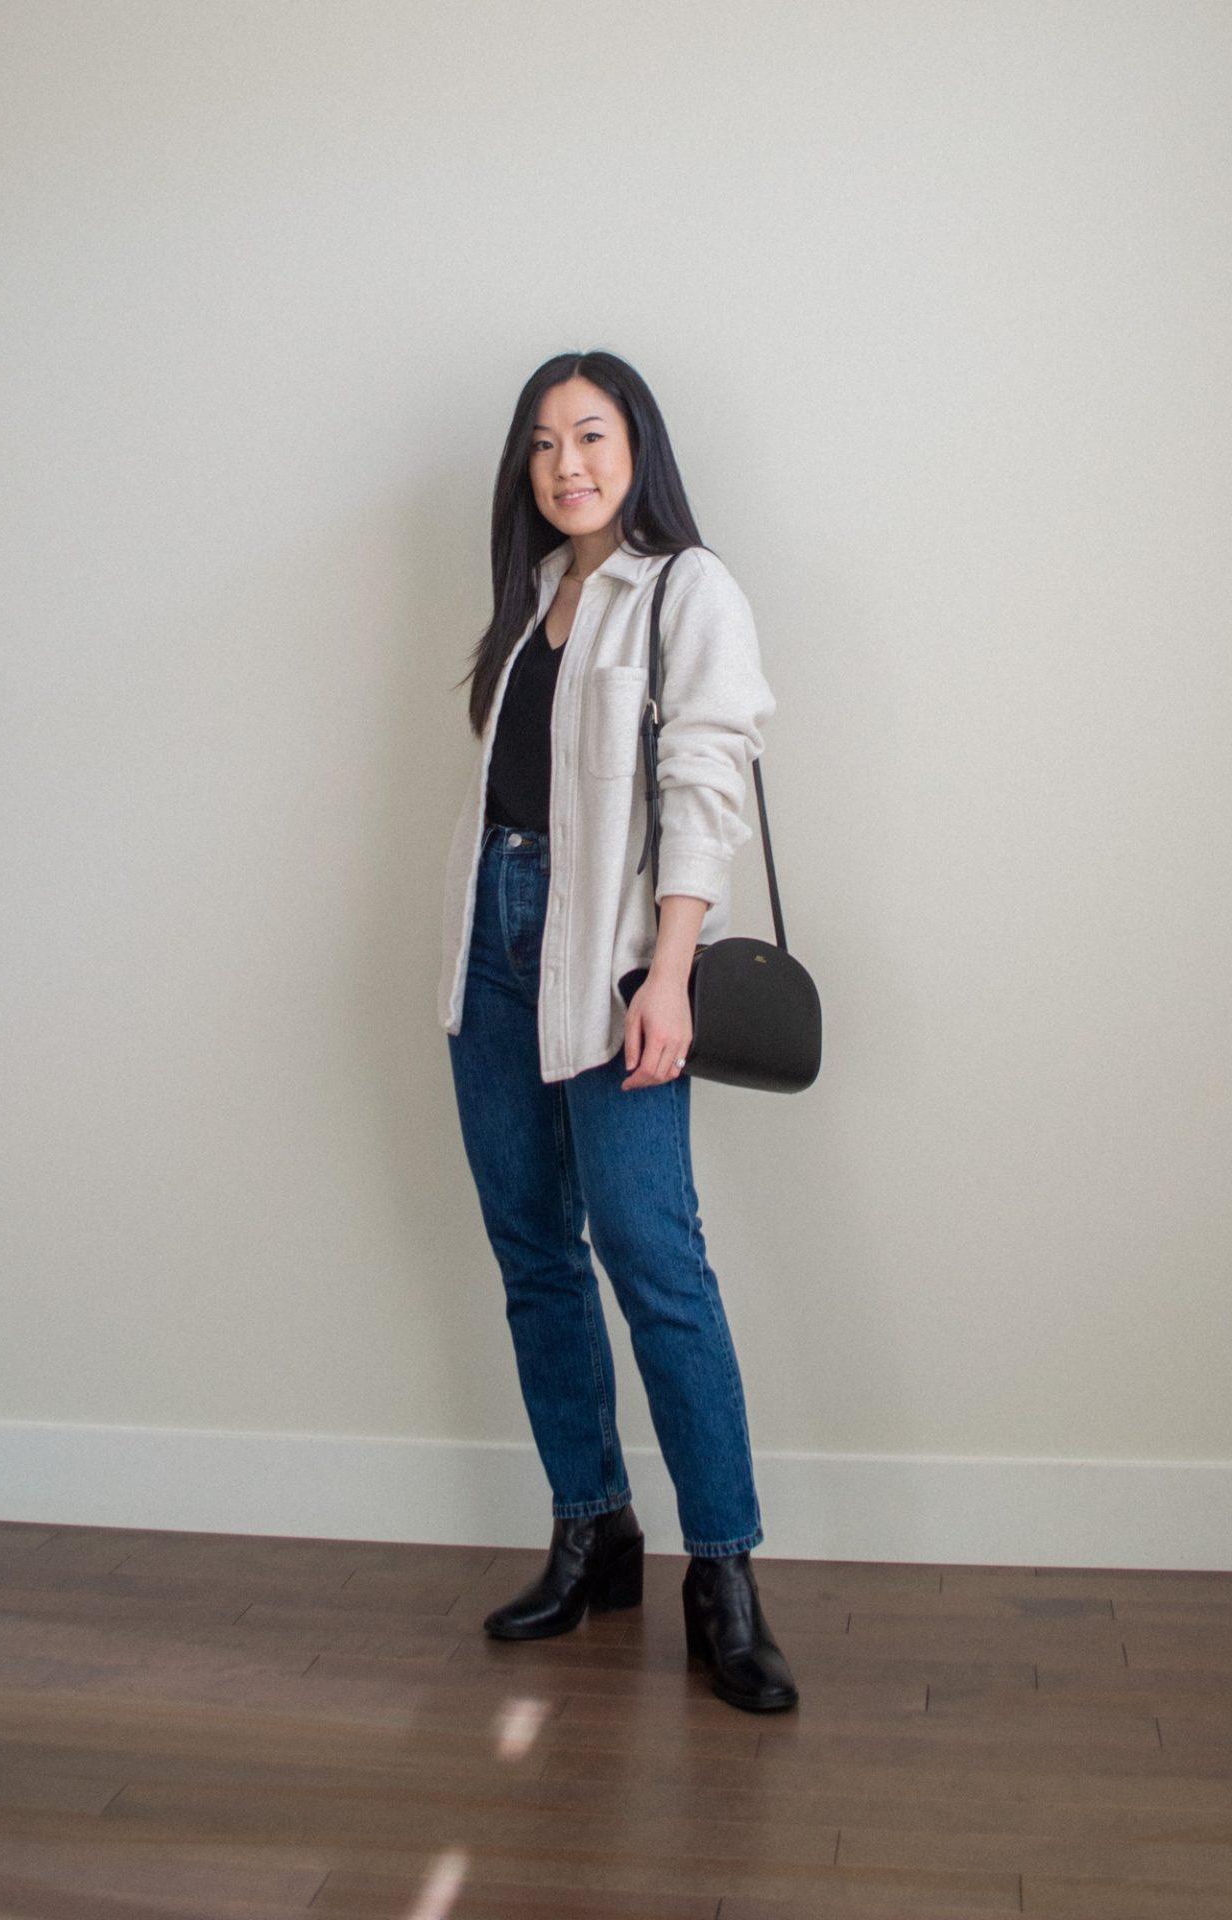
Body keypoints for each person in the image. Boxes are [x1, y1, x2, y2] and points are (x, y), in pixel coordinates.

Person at [437, 349, 798, 1713]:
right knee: (534, 1250)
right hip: (491, 934)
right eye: (543, 442)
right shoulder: (533, 594)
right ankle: (593, 1529)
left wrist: (671, 971)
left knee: (657, 1260)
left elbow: (706, 780)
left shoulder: (689, 589)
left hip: (614, 953)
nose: (566, 463)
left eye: (590, 435)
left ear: (638, 447)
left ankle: (726, 1576)